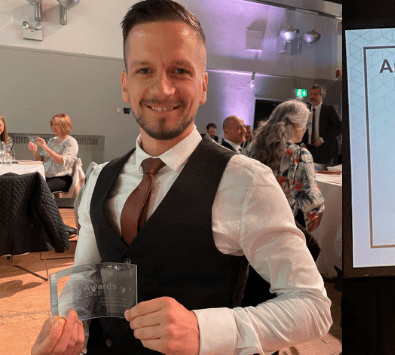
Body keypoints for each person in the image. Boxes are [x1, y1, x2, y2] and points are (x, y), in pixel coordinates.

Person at [31, 1, 331, 354]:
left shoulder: (246, 182)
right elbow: (86, 274)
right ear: (125, 85)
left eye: (180, 71)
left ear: (203, 86)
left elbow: (313, 306)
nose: (164, 89)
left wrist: (205, 329)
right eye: (144, 70)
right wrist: (68, 323)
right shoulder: (100, 179)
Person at [245, 99, 325, 233]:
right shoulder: (299, 154)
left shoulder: (251, 148)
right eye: (305, 124)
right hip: (279, 228)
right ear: (295, 127)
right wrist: (317, 212)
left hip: (249, 221)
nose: (305, 129)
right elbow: (310, 199)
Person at [28, 113, 79, 192]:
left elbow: (61, 161)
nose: (53, 127)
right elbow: (41, 160)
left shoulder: (70, 141)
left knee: (40, 189)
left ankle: (45, 204)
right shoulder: (52, 140)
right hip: (47, 176)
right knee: (27, 185)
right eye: (52, 124)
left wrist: (46, 148)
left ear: (65, 125)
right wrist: (35, 151)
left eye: (57, 124)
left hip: (62, 178)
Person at [302, 84, 342, 165]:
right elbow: (302, 129)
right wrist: (302, 143)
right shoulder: (305, 111)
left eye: (315, 94)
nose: (312, 97)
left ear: (322, 95)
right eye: (311, 94)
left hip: (326, 150)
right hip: (308, 149)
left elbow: (339, 128)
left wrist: (322, 139)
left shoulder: (329, 110)